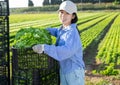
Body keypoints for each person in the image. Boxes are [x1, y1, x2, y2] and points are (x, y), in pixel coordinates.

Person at [32, 0, 85, 85]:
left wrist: (44, 48)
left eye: (67, 13)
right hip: (64, 69)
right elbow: (57, 31)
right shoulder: (63, 28)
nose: (63, 15)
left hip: (73, 72)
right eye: (61, 12)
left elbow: (66, 51)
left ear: (73, 16)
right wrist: (45, 31)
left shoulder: (72, 32)